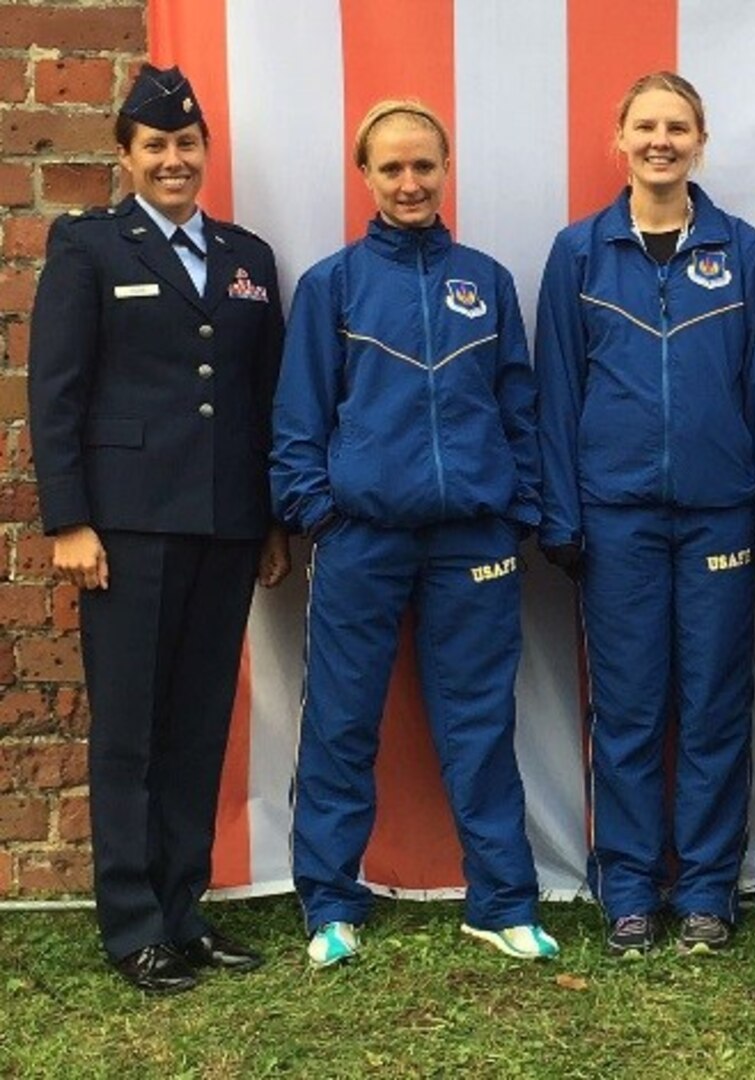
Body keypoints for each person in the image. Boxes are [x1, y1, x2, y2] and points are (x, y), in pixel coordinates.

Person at [271, 99, 557, 968]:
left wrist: (513, 510)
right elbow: (298, 420)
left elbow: (520, 409)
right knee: (341, 724)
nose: (409, 182)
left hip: (472, 542)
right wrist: (323, 513)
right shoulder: (334, 285)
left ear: (445, 169)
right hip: (361, 540)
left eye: (423, 165)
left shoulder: (487, 280)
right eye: (391, 167)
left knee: (477, 724)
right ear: (365, 176)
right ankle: (330, 902)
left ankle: (501, 900)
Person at [28, 65, 290, 993]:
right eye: (156, 147)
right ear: (127, 157)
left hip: (223, 524)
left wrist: (266, 520)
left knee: (196, 727)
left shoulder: (247, 255)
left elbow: (259, 397)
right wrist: (70, 519)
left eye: (187, 145)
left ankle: (184, 910)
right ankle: (133, 923)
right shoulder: (90, 246)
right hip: (127, 530)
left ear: (206, 153)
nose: (174, 160)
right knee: (131, 733)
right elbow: (53, 394)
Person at [534, 72, 755, 959]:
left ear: (700, 140)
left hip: (721, 517)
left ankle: (704, 894)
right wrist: (562, 513)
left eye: (677, 126)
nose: (661, 139)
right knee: (629, 709)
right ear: (619, 137)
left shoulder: (745, 249)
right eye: (645, 124)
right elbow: (556, 392)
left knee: (716, 705)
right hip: (615, 518)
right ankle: (629, 896)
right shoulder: (579, 254)